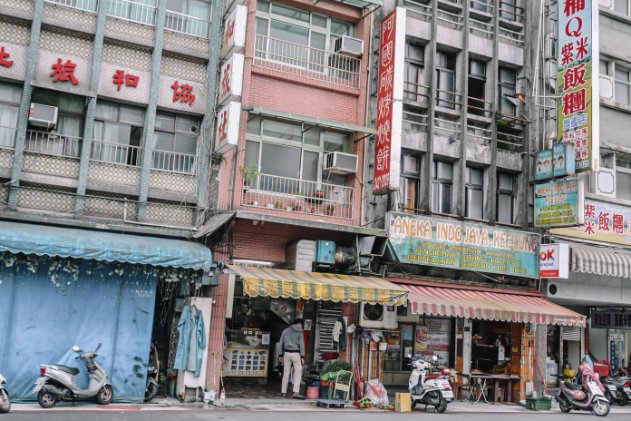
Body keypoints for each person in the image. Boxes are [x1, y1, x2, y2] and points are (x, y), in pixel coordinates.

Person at [279, 318, 305, 398]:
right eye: (301, 325)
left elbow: (280, 343)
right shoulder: (300, 332)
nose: (301, 327)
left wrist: (280, 355)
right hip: (296, 354)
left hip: (286, 353)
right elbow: (301, 345)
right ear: (299, 324)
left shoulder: (285, 330)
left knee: (286, 373)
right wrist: (302, 356)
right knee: (298, 372)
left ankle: (283, 392)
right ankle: (296, 392)